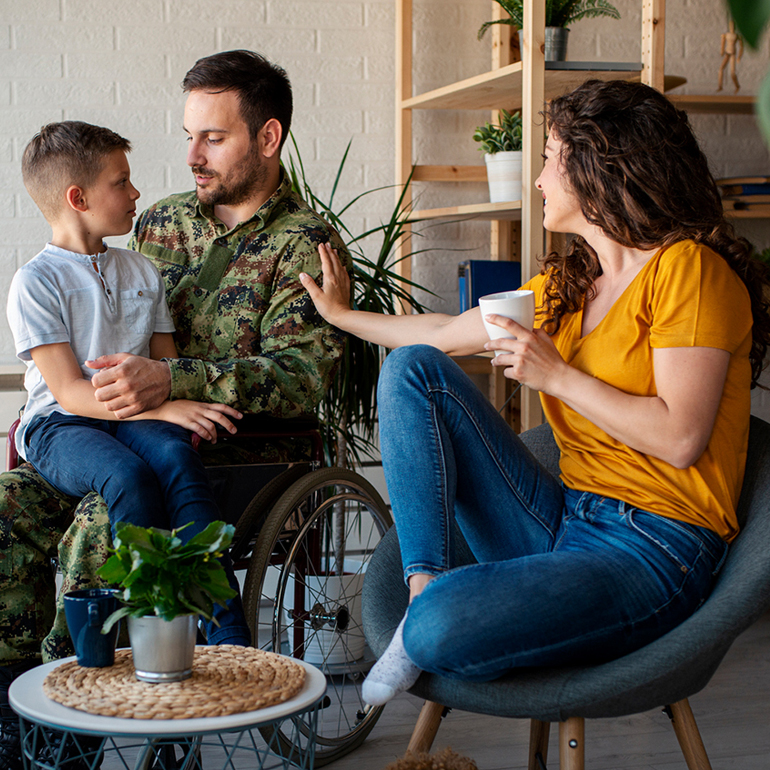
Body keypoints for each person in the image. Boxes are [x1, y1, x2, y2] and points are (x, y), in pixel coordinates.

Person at [300, 79, 770, 706]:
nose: (541, 178)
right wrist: (342, 316)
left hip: (655, 548)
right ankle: (422, 592)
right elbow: (441, 333)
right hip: (565, 518)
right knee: (413, 369)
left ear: (600, 162)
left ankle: (428, 622)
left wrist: (556, 375)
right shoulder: (564, 288)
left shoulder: (689, 271)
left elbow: (680, 438)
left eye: (550, 156)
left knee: (446, 629)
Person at [0, 47, 348, 721]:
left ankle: (71, 711)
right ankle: (13, 707)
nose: (193, 155)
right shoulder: (156, 223)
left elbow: (301, 379)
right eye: (191, 135)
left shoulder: (304, 243)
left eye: (213, 138)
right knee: (7, 508)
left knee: (105, 528)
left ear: (268, 137)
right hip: (104, 429)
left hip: (225, 447)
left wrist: (170, 382)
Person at [7, 120, 251, 652]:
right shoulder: (36, 282)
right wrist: (162, 411)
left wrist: (171, 402)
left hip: (134, 416)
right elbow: (70, 392)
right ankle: (146, 639)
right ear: (78, 197)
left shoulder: (142, 271)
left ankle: (228, 636)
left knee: (179, 462)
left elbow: (165, 362)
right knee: (127, 477)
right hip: (62, 425)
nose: (136, 192)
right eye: (121, 182)